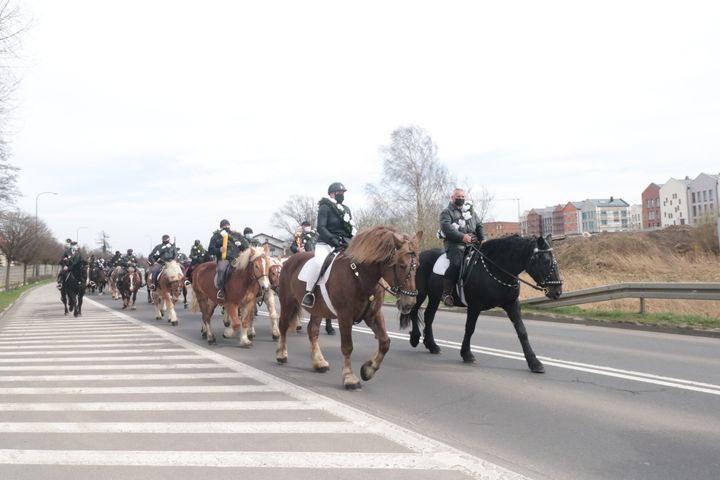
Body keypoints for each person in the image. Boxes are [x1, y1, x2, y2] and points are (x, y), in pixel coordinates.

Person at [302, 182, 356, 307]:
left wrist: (352, 241)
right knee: (318, 263)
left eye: (343, 193)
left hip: (344, 243)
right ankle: (309, 292)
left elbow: (351, 229)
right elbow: (321, 227)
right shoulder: (325, 207)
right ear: (332, 194)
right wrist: (333, 240)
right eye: (339, 193)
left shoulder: (346, 209)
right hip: (326, 243)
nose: (341, 195)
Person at [439, 188, 484, 307]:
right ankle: (446, 293)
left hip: (473, 243)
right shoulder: (446, 212)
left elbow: (479, 225)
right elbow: (447, 228)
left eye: (463, 197)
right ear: (452, 198)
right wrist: (462, 237)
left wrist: (483, 238)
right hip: (455, 245)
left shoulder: (471, 212)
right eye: (459, 196)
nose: (461, 199)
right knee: (456, 264)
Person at [208, 219, 249, 300]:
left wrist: (241, 245)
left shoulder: (237, 235)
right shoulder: (216, 236)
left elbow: (246, 247)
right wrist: (219, 250)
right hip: (223, 260)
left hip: (237, 259)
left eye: (227, 225)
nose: (226, 227)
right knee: (222, 270)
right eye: (224, 226)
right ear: (221, 227)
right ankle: (221, 291)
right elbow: (210, 250)